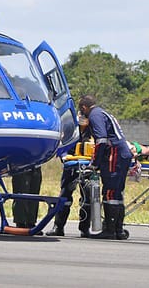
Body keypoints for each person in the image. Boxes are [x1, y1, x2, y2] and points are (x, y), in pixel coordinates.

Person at [78, 94, 133, 240]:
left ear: (84, 108)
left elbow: (101, 140)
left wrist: (94, 164)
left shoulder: (94, 115)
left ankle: (109, 230)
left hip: (114, 153)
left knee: (109, 191)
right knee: (117, 192)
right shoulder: (102, 113)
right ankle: (118, 230)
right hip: (122, 154)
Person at [45, 112, 94, 237]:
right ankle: (58, 227)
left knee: (87, 198)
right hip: (71, 165)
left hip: (87, 166)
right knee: (65, 195)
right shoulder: (71, 129)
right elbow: (63, 144)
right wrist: (64, 156)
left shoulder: (93, 129)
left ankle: (84, 229)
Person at [11, 165, 43, 230]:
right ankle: (20, 222)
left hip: (36, 165)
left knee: (34, 194)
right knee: (22, 193)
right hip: (22, 165)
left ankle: (31, 222)